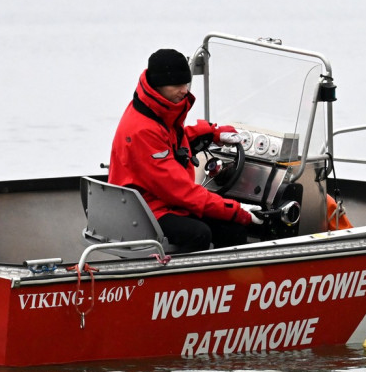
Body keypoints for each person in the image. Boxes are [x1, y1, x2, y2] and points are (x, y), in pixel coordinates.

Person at [109, 48, 261, 253]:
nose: (184, 90)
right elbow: (180, 191)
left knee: (230, 230)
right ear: (158, 85)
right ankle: (182, 283)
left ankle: (227, 283)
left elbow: (170, 142)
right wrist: (236, 210)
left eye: (186, 83)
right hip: (145, 210)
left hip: (155, 200)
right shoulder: (142, 130)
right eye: (177, 84)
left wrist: (212, 133)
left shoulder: (151, 108)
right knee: (200, 233)